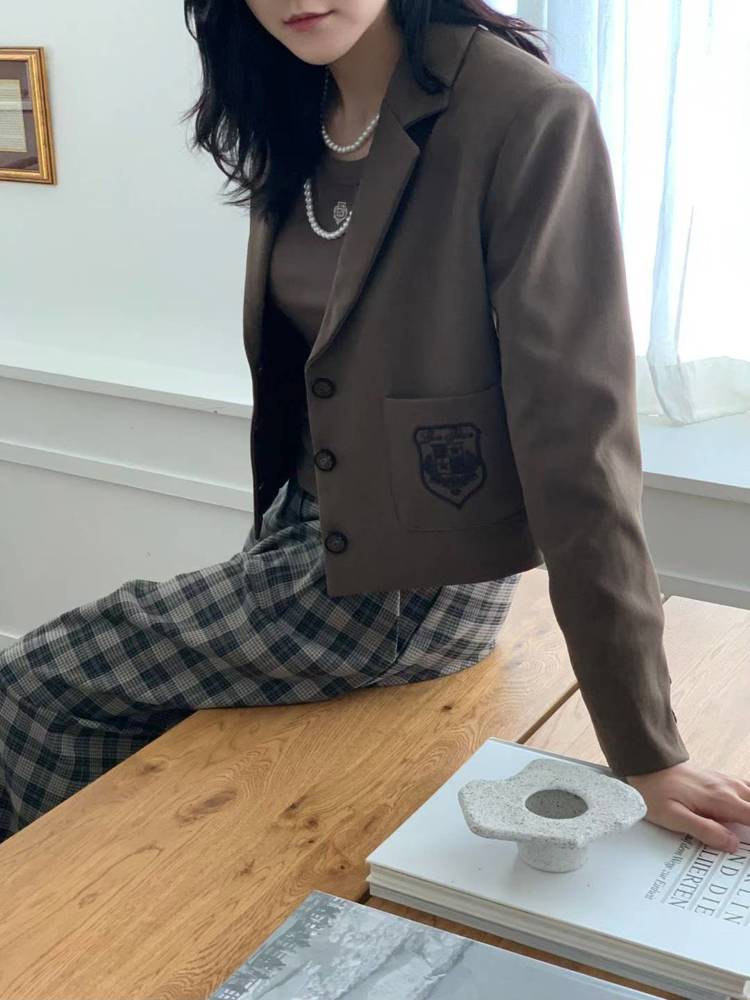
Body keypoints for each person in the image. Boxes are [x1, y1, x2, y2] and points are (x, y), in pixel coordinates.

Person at [0, 0, 747, 851]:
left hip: (408, 586)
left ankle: (55, 918)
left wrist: (647, 749)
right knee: (146, 738)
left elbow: (580, 443)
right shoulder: (296, 96)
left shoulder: (524, 113)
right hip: (298, 538)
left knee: (32, 686)